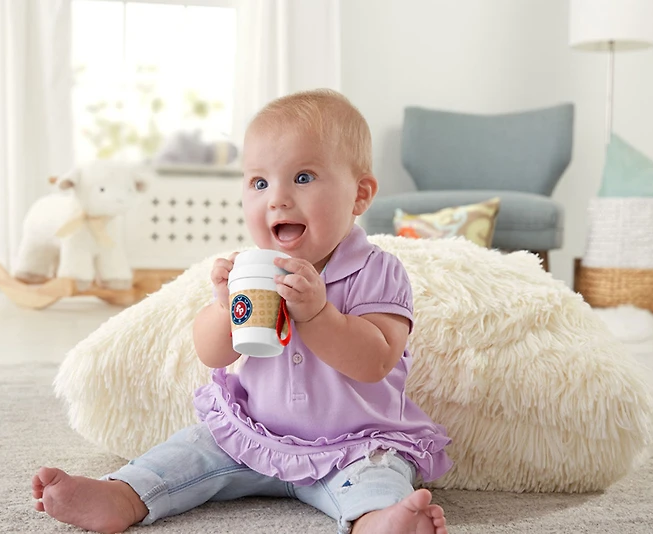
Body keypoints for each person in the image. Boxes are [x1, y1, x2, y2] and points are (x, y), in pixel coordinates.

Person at [32, 89, 453, 534]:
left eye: (304, 177)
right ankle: (123, 494)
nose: (277, 199)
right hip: (252, 436)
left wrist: (317, 315)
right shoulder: (252, 270)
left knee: (379, 477)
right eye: (259, 183)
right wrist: (223, 306)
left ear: (359, 194)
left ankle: (379, 521)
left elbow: (375, 362)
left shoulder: (377, 270)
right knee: (189, 449)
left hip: (353, 445)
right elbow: (212, 354)